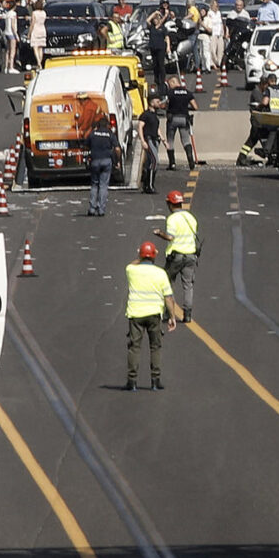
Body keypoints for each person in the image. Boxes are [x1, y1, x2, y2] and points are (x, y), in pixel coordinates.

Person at [124, 239, 180, 391]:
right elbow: (168, 298)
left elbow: (133, 263)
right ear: (154, 256)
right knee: (155, 347)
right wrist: (172, 317)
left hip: (136, 314)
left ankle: (132, 381)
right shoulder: (160, 274)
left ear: (141, 255)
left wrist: (141, 256)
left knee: (134, 347)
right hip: (154, 314)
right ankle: (155, 381)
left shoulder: (131, 270)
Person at [162, 189, 200, 319]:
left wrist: (159, 233)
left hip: (176, 256)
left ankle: (168, 313)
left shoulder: (172, 219)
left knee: (167, 283)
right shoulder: (191, 218)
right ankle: (187, 314)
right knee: (188, 286)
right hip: (190, 256)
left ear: (170, 204)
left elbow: (170, 237)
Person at [86, 114, 119, 216]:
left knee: (94, 184)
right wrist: (116, 160)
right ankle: (101, 209)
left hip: (95, 160)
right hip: (106, 160)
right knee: (103, 185)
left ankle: (92, 208)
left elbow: (86, 145)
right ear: (108, 125)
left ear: (98, 125)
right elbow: (117, 149)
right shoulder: (110, 134)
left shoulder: (93, 134)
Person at [165, 77, 198, 168]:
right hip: (184, 119)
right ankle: (190, 160)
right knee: (186, 140)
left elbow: (165, 104)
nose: (169, 86)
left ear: (173, 82)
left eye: (169, 84)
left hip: (173, 119)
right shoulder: (187, 92)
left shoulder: (170, 93)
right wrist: (186, 108)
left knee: (170, 140)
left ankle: (172, 163)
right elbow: (195, 106)